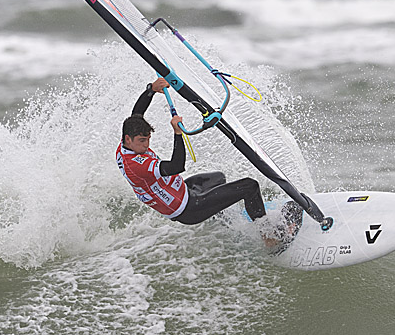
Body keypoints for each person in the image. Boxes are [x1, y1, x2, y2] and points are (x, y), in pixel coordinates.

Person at [117, 77, 297, 246]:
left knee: (218, 178)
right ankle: (269, 236)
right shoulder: (136, 165)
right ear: (129, 139)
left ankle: (217, 216)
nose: (146, 145)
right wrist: (177, 133)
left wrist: (151, 90)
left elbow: (136, 114)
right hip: (187, 209)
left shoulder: (126, 144)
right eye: (142, 141)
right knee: (250, 187)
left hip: (180, 191)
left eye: (147, 139)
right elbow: (176, 166)